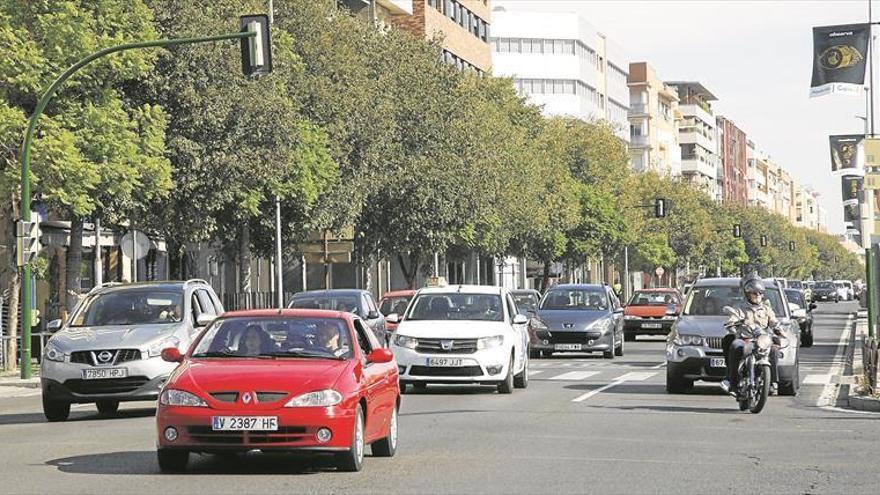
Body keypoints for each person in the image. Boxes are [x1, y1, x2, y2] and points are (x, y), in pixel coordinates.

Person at [721, 274, 780, 396]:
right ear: (748, 294)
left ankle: (773, 382)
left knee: (774, 350)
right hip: (745, 339)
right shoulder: (740, 307)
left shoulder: (766, 309)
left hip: (761, 340)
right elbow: (733, 317)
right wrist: (731, 323)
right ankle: (732, 381)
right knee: (735, 346)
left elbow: (773, 321)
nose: (758, 295)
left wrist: (778, 329)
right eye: (754, 293)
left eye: (760, 293)